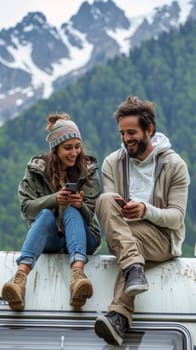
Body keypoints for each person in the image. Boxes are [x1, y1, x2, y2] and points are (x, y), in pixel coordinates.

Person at [94, 96, 190, 346]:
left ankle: (119, 313)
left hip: (162, 240)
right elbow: (110, 207)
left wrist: (146, 211)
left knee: (132, 238)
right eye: (122, 133)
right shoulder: (112, 162)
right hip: (125, 237)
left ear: (150, 130)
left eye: (132, 132)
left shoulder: (175, 165)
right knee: (104, 200)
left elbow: (177, 216)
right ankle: (132, 274)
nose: (126, 139)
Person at [1, 113, 101, 311]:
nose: (74, 152)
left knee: (72, 210)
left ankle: (78, 276)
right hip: (52, 238)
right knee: (46, 214)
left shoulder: (88, 170)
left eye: (77, 146)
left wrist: (80, 205)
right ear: (55, 150)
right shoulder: (36, 170)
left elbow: (91, 217)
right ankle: (19, 279)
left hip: (85, 237)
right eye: (68, 148)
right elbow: (26, 209)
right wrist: (55, 199)